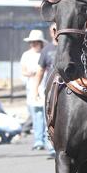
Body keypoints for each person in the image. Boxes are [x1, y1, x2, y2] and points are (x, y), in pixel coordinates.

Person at [20, 29, 46, 150]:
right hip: (32, 87)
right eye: (31, 42)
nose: (33, 44)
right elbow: (23, 70)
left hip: (45, 86)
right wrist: (29, 73)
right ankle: (38, 140)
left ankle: (48, 140)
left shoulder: (45, 53)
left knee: (47, 114)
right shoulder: (26, 55)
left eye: (35, 42)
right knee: (36, 115)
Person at [34, 24, 57, 156]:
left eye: (57, 29)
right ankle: (52, 147)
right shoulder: (46, 50)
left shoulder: (68, 44)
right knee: (49, 117)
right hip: (51, 89)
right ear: (50, 32)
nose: (55, 32)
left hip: (67, 88)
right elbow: (40, 71)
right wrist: (35, 89)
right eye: (53, 30)